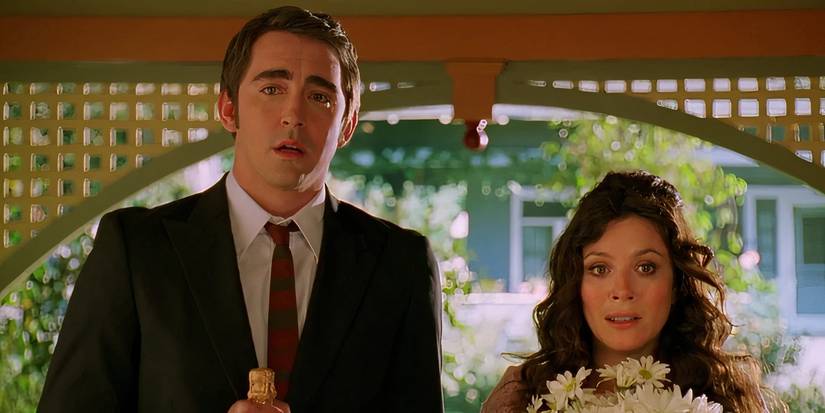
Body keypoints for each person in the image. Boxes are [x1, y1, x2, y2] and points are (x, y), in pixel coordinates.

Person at [38, 6, 443, 413]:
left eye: (319, 97)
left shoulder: (400, 264)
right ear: (229, 110)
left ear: (347, 125)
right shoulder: (138, 251)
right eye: (272, 89)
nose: (293, 115)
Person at [482, 170, 776, 412]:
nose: (622, 291)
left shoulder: (727, 396)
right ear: (576, 282)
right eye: (600, 269)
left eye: (645, 267)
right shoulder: (521, 395)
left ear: (677, 283)